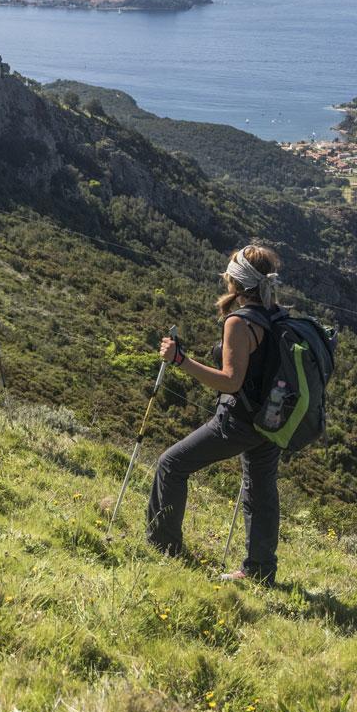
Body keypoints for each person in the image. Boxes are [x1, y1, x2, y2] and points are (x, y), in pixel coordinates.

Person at [146, 244, 284, 584]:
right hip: (273, 417)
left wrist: (181, 361)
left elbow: (230, 381)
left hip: (238, 420)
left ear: (236, 282)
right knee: (260, 490)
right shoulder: (277, 315)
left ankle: (163, 548)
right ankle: (260, 571)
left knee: (172, 464)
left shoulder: (239, 322)